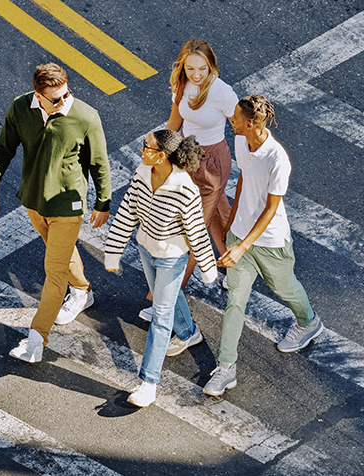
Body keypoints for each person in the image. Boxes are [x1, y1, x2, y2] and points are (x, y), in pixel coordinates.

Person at [0, 63, 111, 363]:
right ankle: (83, 291)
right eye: (55, 98)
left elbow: (99, 163)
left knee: (53, 272)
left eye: (66, 94)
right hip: (34, 202)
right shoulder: (20, 109)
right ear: (38, 96)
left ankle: (36, 340)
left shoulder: (85, 116)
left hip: (68, 205)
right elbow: (2, 150)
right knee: (60, 254)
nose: (64, 102)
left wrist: (103, 202)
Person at [203, 95, 324, 397]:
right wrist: (232, 222)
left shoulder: (277, 158)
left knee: (285, 288)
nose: (231, 121)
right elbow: (244, 174)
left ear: (252, 122)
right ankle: (226, 367)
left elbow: (271, 209)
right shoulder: (243, 142)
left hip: (270, 243)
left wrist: (243, 245)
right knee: (235, 302)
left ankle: (309, 323)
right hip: (241, 237)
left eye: (235, 119)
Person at [105, 130, 217, 407]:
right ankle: (190, 332)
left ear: (163, 156)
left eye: (147, 147)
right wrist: (112, 253)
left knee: (161, 314)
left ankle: (148, 383)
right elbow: (128, 211)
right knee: (163, 295)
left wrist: (207, 268)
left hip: (171, 257)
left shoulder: (184, 189)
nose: (142, 151)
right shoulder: (143, 173)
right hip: (145, 248)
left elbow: (196, 231)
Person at [139, 38, 238, 322]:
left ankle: (165, 301)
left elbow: (239, 128)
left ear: (212, 67)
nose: (196, 75)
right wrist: (157, 155)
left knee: (190, 228)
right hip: (186, 155)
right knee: (219, 216)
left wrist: (253, 161)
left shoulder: (222, 92)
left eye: (203, 69)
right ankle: (236, 265)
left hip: (212, 165)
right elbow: (174, 124)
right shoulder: (181, 85)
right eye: (191, 68)